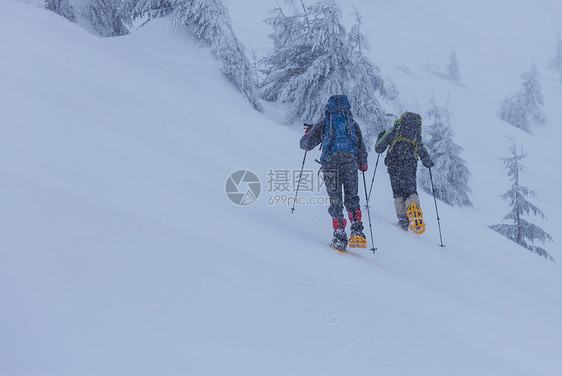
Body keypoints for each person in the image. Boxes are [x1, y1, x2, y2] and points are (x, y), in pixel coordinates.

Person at [300, 95, 368, 251]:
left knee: (335, 199)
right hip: (350, 165)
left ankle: (339, 234)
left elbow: (305, 145)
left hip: (330, 166)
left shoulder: (324, 123)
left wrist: (308, 132)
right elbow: (361, 147)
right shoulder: (352, 124)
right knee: (352, 197)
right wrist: (363, 164)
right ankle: (357, 229)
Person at [375, 111, 434, 232]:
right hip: (410, 165)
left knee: (398, 193)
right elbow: (421, 148)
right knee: (411, 191)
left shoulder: (394, 130)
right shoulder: (415, 135)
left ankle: (403, 219)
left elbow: (378, 149)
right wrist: (426, 159)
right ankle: (414, 207)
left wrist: (380, 137)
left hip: (394, 165)